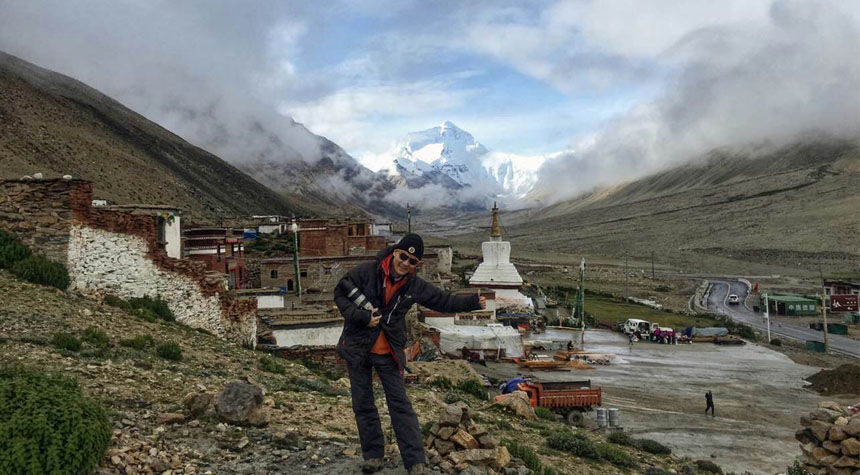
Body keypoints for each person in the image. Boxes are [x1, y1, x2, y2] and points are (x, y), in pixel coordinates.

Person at [334, 234, 486, 475]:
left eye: (412, 261)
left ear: (417, 265)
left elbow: (442, 301)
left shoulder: (414, 285)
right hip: (358, 348)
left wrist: (473, 302)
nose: (405, 263)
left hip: (389, 353)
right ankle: (373, 456)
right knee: (363, 404)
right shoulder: (366, 271)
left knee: (401, 406)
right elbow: (340, 293)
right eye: (403, 256)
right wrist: (362, 317)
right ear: (395, 252)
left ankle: (415, 461)